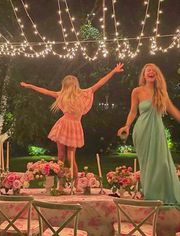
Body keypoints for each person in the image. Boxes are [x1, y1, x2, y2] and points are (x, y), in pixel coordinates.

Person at [20, 63, 124, 191]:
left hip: (73, 126)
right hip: (64, 125)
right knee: (62, 156)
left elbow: (100, 82)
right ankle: (62, 185)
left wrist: (113, 71)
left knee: (69, 157)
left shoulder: (82, 93)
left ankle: (74, 184)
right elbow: (45, 91)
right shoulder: (63, 95)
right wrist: (30, 86)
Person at [117, 63, 180, 205]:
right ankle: (150, 197)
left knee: (163, 163)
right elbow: (133, 111)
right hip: (142, 130)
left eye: (153, 71)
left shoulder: (161, 93)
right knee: (147, 164)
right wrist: (127, 126)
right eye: (148, 71)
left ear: (157, 75)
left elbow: (173, 110)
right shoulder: (137, 91)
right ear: (144, 75)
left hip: (157, 131)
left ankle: (164, 196)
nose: (151, 72)